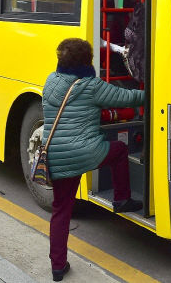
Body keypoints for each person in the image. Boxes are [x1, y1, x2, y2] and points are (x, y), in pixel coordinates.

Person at [42, 38, 144, 281]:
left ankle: (58, 267)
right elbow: (126, 98)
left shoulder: (50, 81)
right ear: (88, 61)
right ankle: (121, 199)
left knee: (61, 210)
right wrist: (155, 92)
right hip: (84, 152)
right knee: (119, 150)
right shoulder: (90, 85)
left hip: (54, 154)